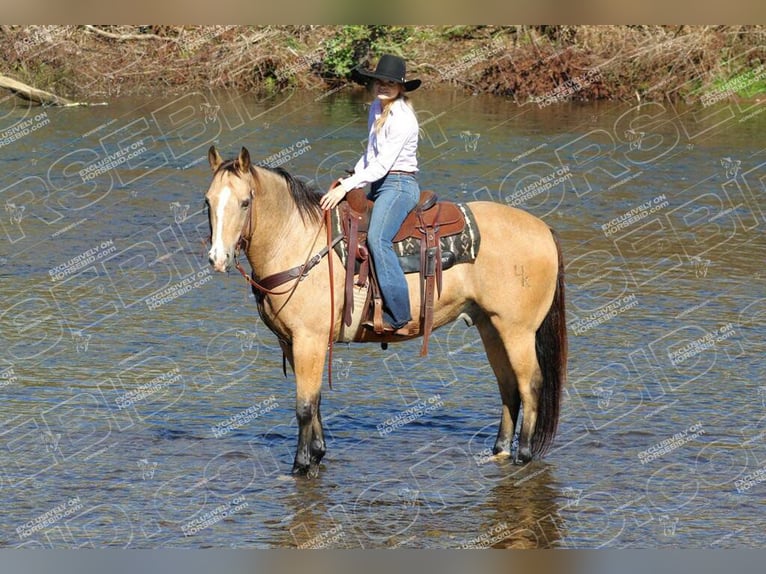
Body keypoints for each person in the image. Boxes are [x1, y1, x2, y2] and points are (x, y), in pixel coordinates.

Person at [320, 54, 421, 334]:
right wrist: (352, 176)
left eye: (390, 83)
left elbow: (384, 164)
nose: (383, 87)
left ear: (401, 87)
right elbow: (370, 155)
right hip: (378, 181)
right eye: (379, 82)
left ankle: (399, 315)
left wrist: (347, 185)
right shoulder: (376, 108)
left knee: (378, 238)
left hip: (398, 184)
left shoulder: (402, 118)